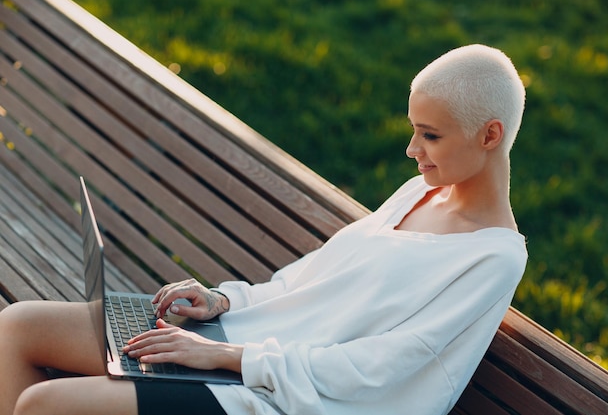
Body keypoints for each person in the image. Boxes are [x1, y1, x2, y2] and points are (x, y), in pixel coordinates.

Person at [0, 43, 527, 415]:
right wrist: (222, 303)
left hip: (283, 395)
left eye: (430, 136)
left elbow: (386, 365)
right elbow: (306, 284)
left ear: (489, 135)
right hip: (245, 345)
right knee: (18, 327)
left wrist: (231, 358)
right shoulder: (420, 191)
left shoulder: (493, 258)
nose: (412, 151)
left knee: (45, 406)